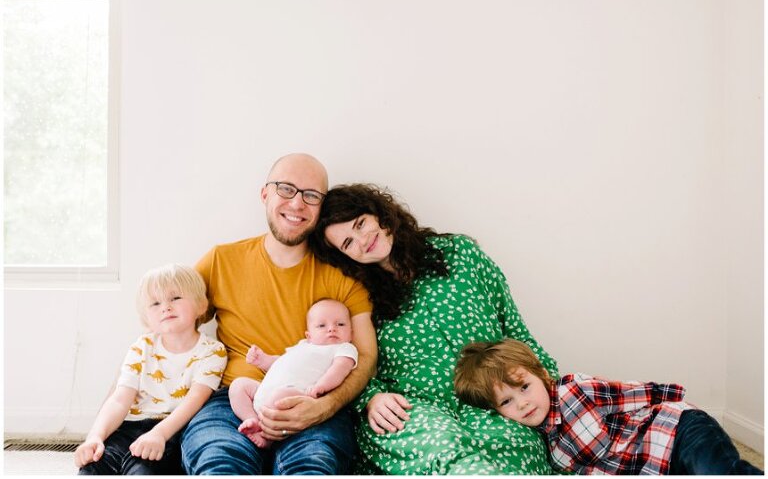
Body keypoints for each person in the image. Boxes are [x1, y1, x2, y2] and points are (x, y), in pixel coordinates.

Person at [308, 183, 559, 474]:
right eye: (348, 243)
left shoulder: (461, 254)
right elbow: (349, 357)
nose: (363, 241)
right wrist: (371, 398)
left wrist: (553, 385)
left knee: (519, 451)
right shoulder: (358, 297)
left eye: (361, 224)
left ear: (378, 213)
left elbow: (514, 328)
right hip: (413, 410)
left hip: (492, 399)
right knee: (446, 450)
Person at [181, 153, 377, 475]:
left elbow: (366, 356)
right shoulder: (220, 261)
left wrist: (323, 406)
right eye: (286, 189)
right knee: (219, 462)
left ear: (321, 207)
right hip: (234, 400)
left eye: (311, 195)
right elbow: (167, 322)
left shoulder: (345, 275)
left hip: (315, 402)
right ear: (265, 194)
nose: (297, 203)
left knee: (312, 466)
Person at [454, 339, 763, 475]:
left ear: (541, 375)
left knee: (719, 471)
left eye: (524, 387)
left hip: (678, 431)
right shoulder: (544, 442)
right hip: (656, 466)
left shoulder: (574, 391)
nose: (522, 403)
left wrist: (671, 393)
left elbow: (627, 393)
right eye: (506, 401)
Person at [75, 264, 227, 475]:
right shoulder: (142, 347)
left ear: (201, 306)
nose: (166, 307)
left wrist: (160, 434)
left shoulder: (212, 351)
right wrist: (95, 436)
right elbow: (120, 399)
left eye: (175, 298)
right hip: (128, 426)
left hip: (171, 430)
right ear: (146, 319)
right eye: (156, 303)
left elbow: (194, 401)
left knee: (143, 470)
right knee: (95, 465)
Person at [229, 298, 358, 448]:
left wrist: (321, 387)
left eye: (340, 324)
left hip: (296, 395)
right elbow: (282, 362)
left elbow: (339, 369)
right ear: (309, 335)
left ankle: (266, 434)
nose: (331, 329)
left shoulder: (344, 348)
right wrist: (263, 360)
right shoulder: (303, 345)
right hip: (263, 391)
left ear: (351, 334)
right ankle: (251, 419)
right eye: (322, 325)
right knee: (238, 385)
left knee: (280, 397)